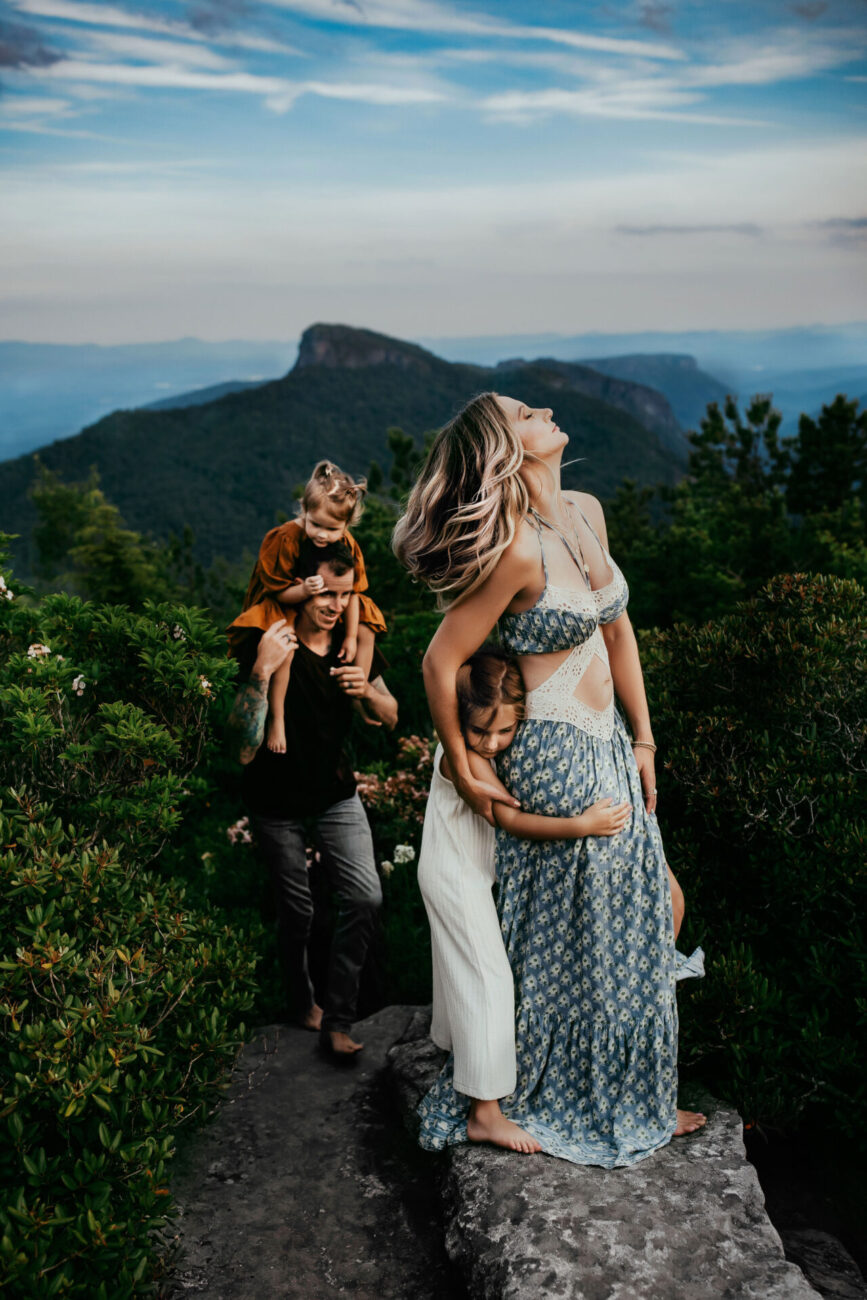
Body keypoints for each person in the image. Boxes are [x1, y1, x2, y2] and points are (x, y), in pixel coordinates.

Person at [394, 392, 706, 1165]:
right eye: (525, 411)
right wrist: (466, 768)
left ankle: (631, 1090)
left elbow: (618, 628)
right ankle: (599, 1093)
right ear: (507, 445)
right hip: (553, 752)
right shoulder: (513, 549)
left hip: (606, 743)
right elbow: (439, 660)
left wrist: (644, 738)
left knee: (649, 906)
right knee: (602, 927)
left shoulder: (585, 510)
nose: (545, 407)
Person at [419, 646, 632, 1154]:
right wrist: (581, 825)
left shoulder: (480, 747)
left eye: (505, 731)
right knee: (488, 978)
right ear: (458, 722)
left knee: (466, 967)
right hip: (454, 876)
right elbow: (509, 819)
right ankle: (484, 1114)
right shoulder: (462, 759)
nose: (492, 743)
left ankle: (454, 1048)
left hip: (466, 874)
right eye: (480, 731)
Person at [227, 537, 397, 1060]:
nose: (335, 606)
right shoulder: (268, 642)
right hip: (275, 803)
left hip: (335, 796)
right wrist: (260, 669)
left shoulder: (351, 647)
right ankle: (303, 1002)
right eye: (326, 594)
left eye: (345, 596)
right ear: (301, 589)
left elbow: (391, 716)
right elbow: (240, 744)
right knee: (296, 912)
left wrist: (365, 690)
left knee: (366, 897)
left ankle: (339, 1018)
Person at [227, 460, 386, 754]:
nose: (322, 535)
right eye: (315, 525)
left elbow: (354, 594)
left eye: (332, 529)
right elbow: (277, 591)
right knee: (286, 649)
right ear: (304, 511)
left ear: (346, 526)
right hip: (284, 600)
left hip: (323, 598)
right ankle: (277, 719)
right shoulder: (286, 538)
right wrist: (303, 590)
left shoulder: (347, 544)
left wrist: (350, 636)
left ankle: (358, 690)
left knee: (368, 624)